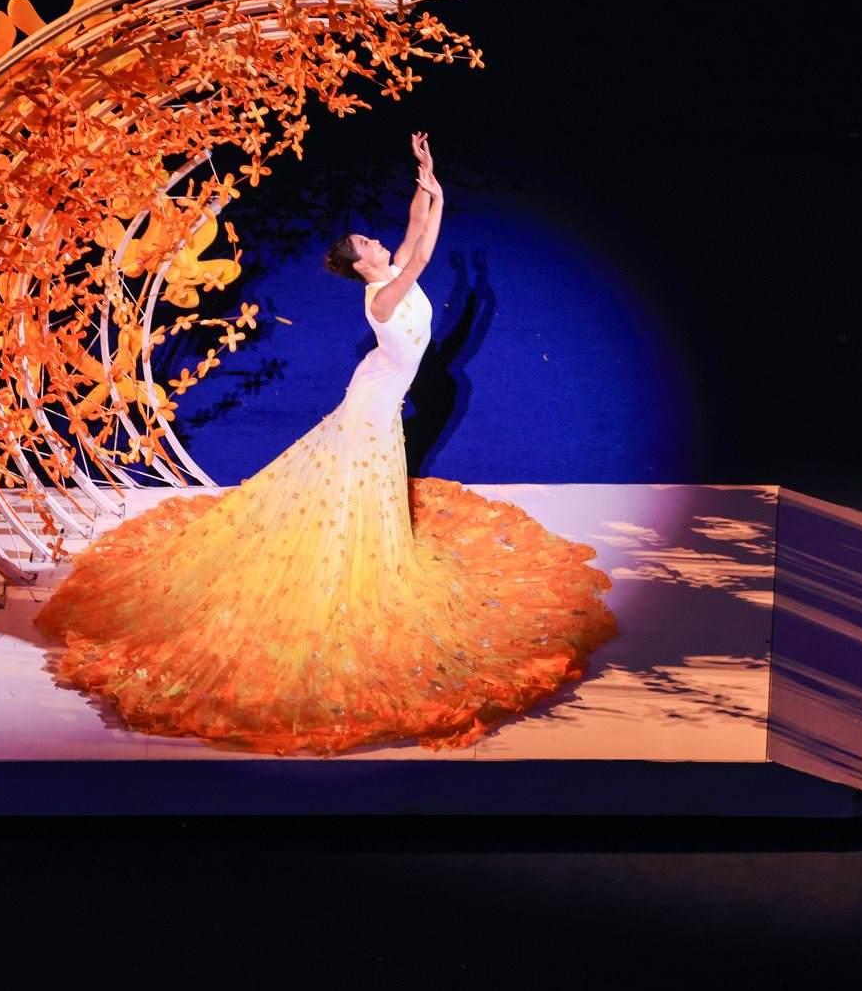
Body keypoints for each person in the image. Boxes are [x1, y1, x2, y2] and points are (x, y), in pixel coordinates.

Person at [34, 133, 617, 755]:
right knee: (350, 478)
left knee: (357, 479)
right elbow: (421, 255)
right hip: (373, 403)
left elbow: (416, 232)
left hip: (378, 391)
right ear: (360, 263)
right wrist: (444, 223)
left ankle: (354, 534)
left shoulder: (389, 272)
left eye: (372, 239)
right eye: (367, 243)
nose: (378, 242)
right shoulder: (384, 295)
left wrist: (427, 181)